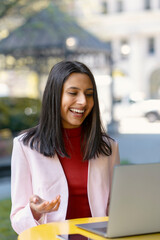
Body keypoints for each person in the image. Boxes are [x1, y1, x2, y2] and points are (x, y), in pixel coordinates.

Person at [10, 60, 120, 234]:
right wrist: (34, 211)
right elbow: (17, 221)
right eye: (73, 93)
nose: (83, 101)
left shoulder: (109, 147)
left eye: (89, 94)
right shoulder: (25, 146)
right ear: (55, 95)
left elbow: (117, 208)